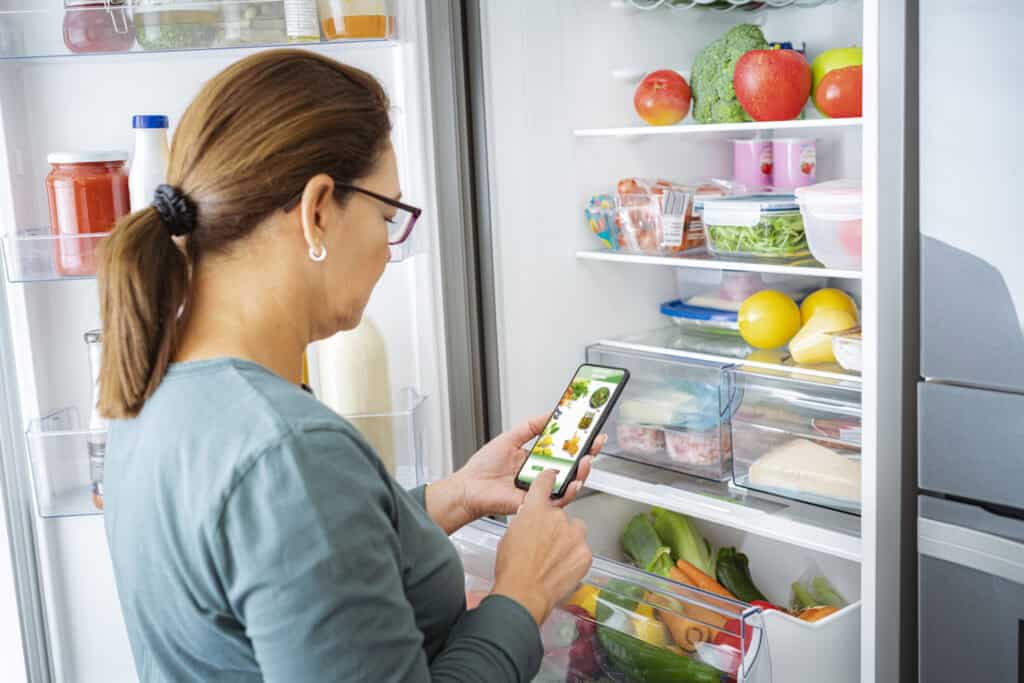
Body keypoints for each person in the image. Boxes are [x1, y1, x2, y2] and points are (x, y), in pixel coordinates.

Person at [97, 50, 598, 682]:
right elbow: (296, 511)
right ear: (317, 210)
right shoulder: (289, 453)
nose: (389, 250)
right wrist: (524, 593)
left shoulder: (156, 388)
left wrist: (454, 496)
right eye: (388, 215)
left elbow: (290, 565)